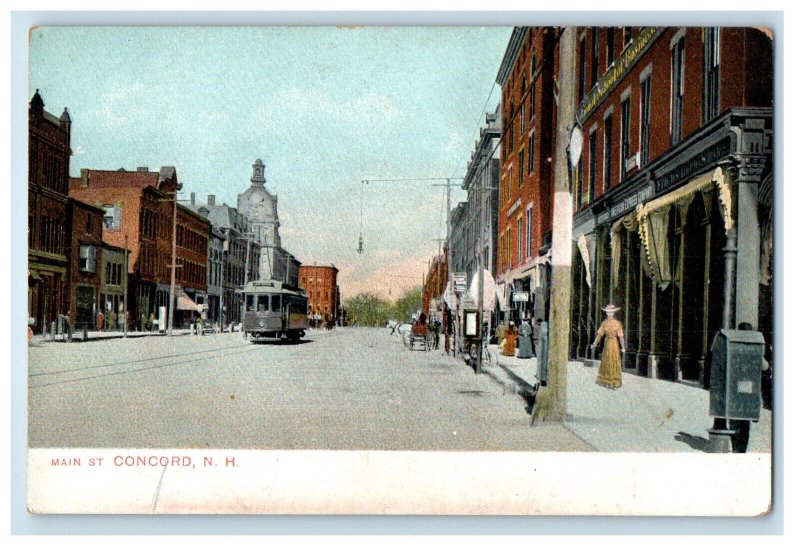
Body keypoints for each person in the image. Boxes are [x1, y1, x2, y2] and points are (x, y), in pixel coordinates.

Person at [591, 303, 626, 389]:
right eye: (608, 312)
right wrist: (594, 344)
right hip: (609, 343)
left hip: (613, 343)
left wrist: (623, 347)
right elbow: (599, 335)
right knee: (608, 358)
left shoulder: (616, 323)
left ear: (613, 313)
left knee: (613, 359)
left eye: (611, 312)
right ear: (606, 313)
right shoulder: (605, 323)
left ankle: (612, 381)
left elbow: (621, 337)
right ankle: (608, 381)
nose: (609, 314)